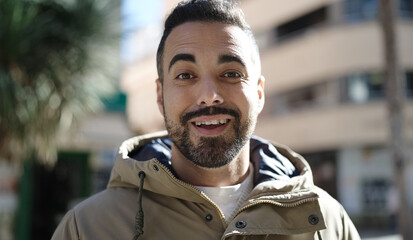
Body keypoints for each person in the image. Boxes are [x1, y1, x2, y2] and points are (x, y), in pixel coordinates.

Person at [52, 0, 360, 239]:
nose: (209, 95)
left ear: (259, 93)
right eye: (186, 75)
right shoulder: (88, 229)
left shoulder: (329, 222)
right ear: (160, 96)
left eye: (230, 74)